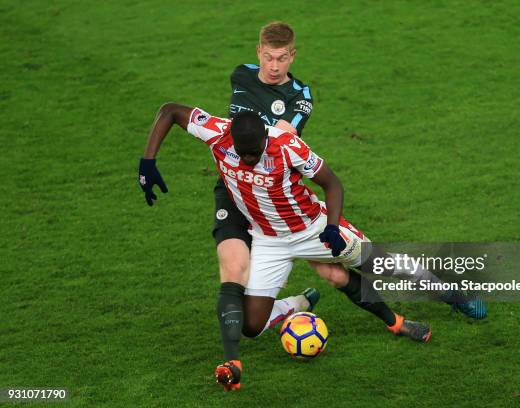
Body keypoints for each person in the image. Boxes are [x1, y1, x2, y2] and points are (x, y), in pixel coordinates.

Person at [138, 104, 487, 390]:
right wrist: (148, 160)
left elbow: (332, 183)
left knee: (381, 264)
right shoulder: (217, 132)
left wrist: (332, 227)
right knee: (252, 325)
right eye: (242, 155)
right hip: (269, 240)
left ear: (265, 138)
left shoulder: (287, 147)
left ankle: (451, 295)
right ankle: (296, 304)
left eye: (254, 154)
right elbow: (170, 111)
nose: (247, 161)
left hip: (313, 229)